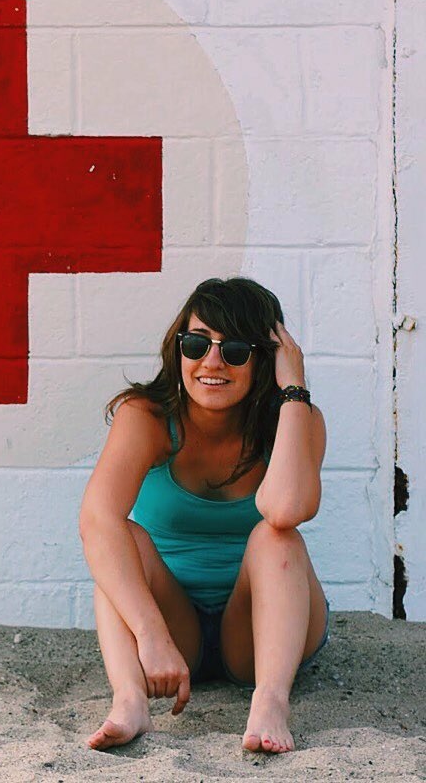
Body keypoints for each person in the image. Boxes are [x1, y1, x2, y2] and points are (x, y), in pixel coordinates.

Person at [78, 277, 329, 755]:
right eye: (196, 344)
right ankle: (130, 699)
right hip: (173, 627)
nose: (211, 362)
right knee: (120, 540)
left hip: (261, 632)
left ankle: (271, 701)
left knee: (277, 537)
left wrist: (293, 390)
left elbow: (286, 510)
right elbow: (96, 520)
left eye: (234, 350)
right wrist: (151, 635)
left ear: (265, 358)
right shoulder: (147, 416)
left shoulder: (298, 420)